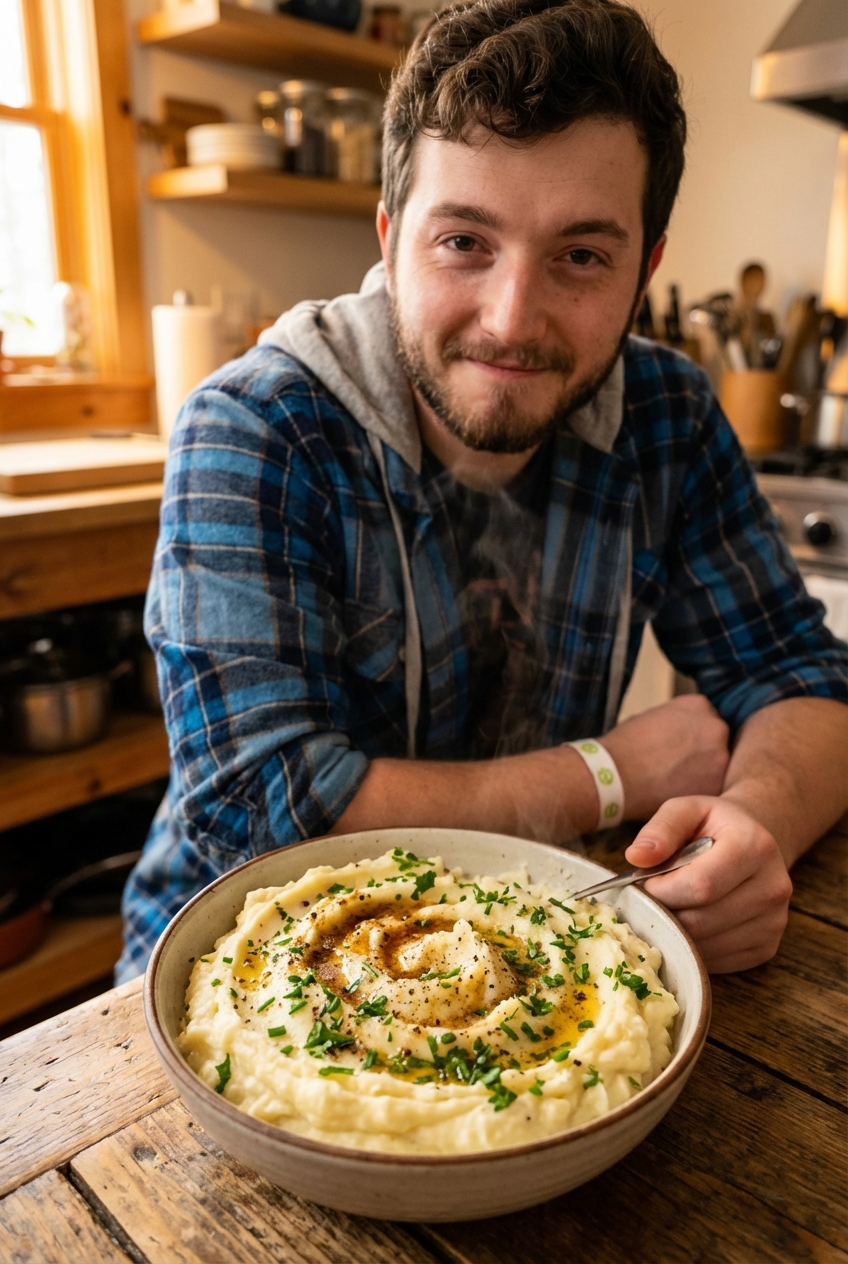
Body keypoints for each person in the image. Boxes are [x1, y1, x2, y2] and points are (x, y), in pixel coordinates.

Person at [118, 0, 847, 984]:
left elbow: (802, 678)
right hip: (231, 971)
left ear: (644, 272)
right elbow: (257, 807)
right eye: (464, 241)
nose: (510, 320)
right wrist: (608, 775)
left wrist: (752, 824)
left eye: (580, 256)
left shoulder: (666, 415)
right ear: (390, 240)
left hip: (535, 949)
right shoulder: (256, 425)